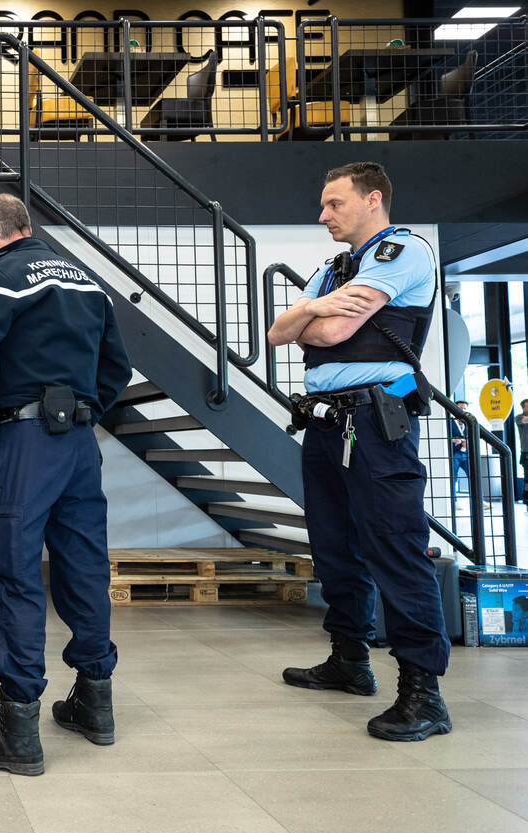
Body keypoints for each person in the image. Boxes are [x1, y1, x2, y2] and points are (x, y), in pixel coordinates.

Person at [0, 194, 131, 775]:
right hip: (79, 444)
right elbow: (116, 367)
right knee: (83, 567)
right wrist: (84, 412)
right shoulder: (86, 280)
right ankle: (95, 703)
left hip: (25, 442)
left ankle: (18, 727)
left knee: (14, 573)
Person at [266, 161, 451, 742]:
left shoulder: (405, 251)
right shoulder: (332, 267)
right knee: (333, 547)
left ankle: (424, 691)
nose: (322, 215)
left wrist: (313, 316)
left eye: (333, 204)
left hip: (374, 422)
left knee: (394, 548)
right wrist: (311, 312)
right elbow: (277, 332)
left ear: (373, 199)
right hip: (325, 424)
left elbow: (334, 333)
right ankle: (350, 658)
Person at [451, 400, 470, 493]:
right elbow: (444, 437)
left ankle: (480, 500)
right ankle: (454, 502)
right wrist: (453, 440)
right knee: (453, 477)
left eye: (464, 409)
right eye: (460, 408)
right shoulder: (449, 421)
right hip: (454, 453)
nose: (463, 411)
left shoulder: (468, 422)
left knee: (473, 476)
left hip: (465, 453)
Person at [517, 399, 528, 503]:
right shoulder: (519, 417)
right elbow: (525, 420)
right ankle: (526, 498)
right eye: (527, 406)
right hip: (526, 451)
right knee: (527, 477)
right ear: (523, 408)